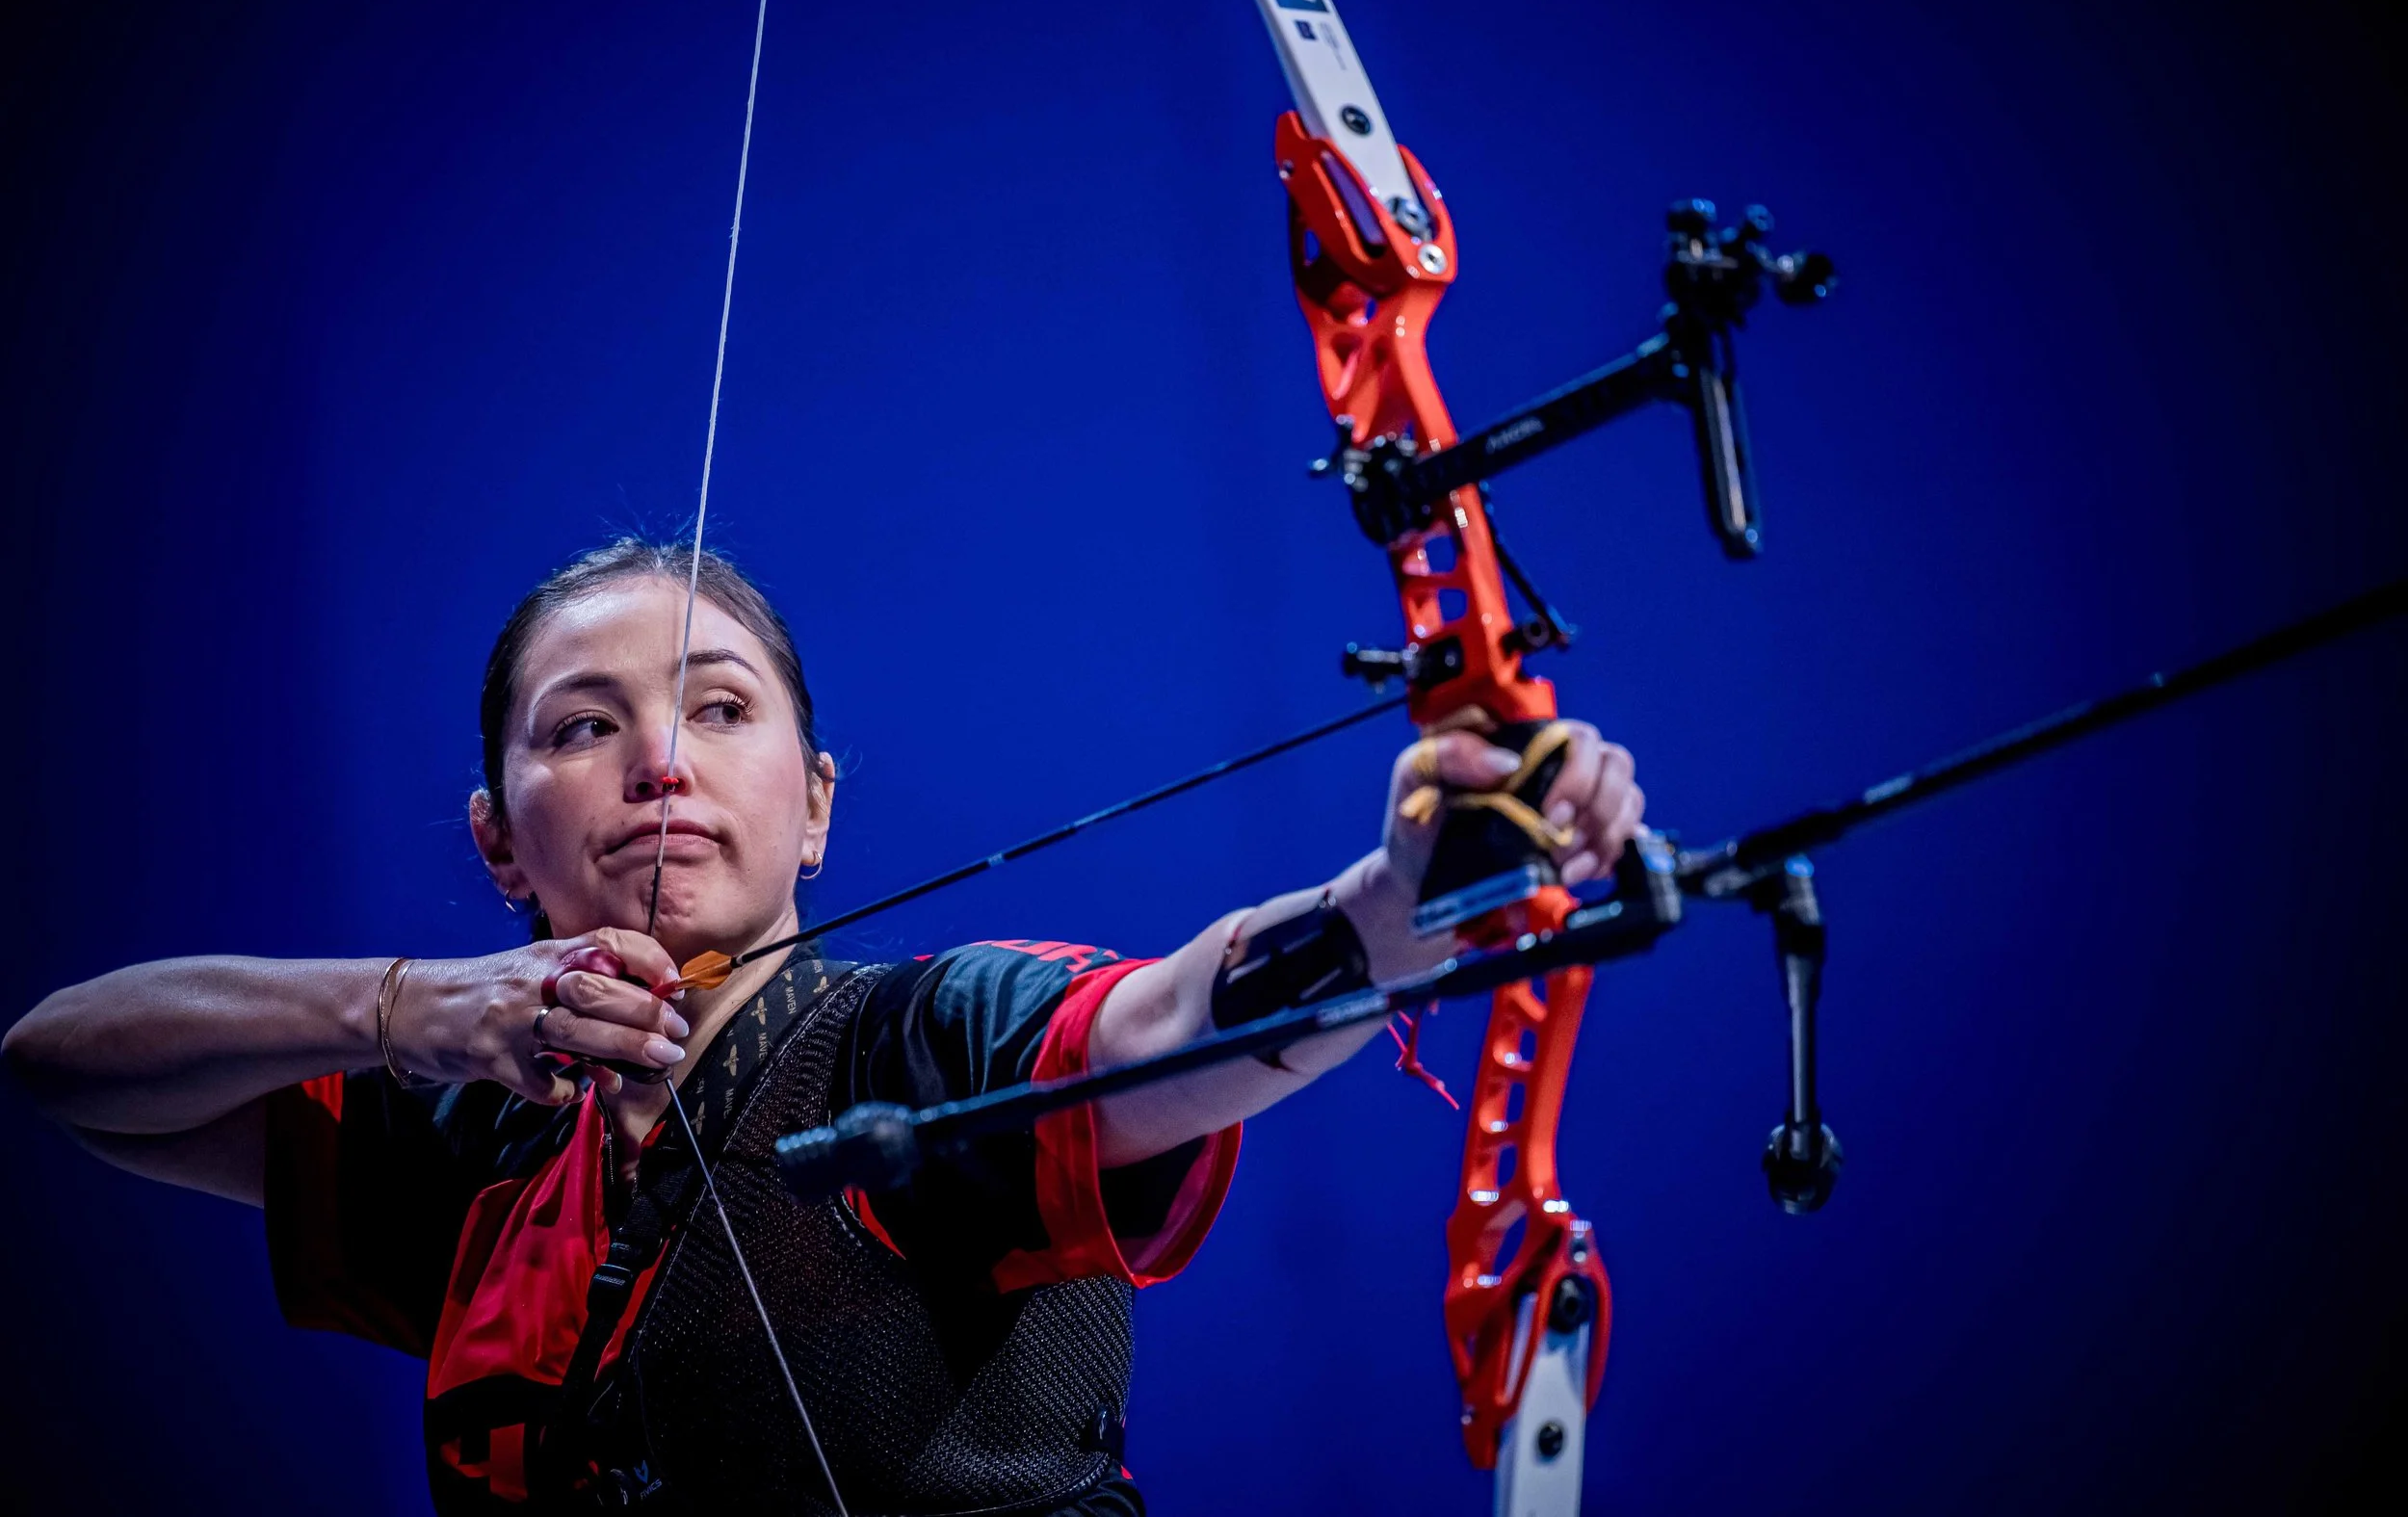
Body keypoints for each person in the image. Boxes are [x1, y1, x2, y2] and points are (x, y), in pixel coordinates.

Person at [3, 538, 1645, 1515]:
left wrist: (1398, 900)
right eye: (587, 726)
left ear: (815, 809)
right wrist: (407, 1011)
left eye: (722, 709)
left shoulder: (915, 1048)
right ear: (499, 835)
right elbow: (64, 1062)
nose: (662, 759)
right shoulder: (478, 1135)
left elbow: (1158, 1026)